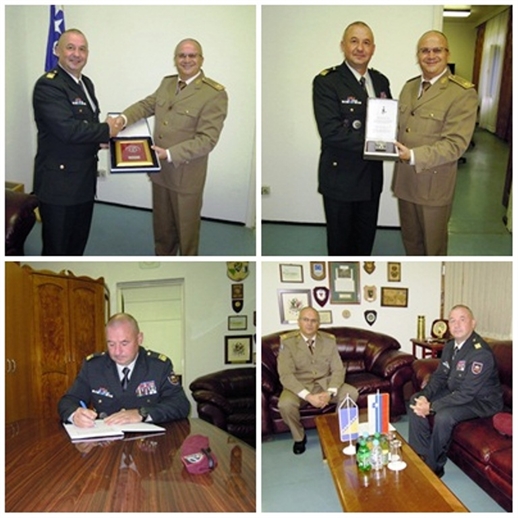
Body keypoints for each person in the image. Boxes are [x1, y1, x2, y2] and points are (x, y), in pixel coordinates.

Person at [115, 38, 228, 256]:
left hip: (185, 176)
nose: (187, 60)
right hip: (160, 172)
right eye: (181, 55)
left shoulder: (214, 94)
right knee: (162, 230)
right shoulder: (167, 83)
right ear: (175, 59)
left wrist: (169, 153)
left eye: (192, 55)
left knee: (187, 233)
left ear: (201, 59)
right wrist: (122, 119)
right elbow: (146, 105)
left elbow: (207, 140)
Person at [32, 28, 121, 255]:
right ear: (57, 50)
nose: (76, 54)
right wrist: (106, 130)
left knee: (76, 246)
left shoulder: (86, 83)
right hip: (58, 186)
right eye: (70, 48)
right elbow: (67, 130)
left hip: (84, 182)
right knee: (57, 250)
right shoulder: (49, 85)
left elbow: (86, 126)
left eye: (82, 49)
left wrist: (100, 141)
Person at [393, 30, 478, 255]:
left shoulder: (462, 93)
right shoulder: (409, 87)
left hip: (434, 185)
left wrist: (413, 156)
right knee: (411, 242)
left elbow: (455, 144)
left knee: (434, 248)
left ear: (447, 54)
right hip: (406, 181)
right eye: (425, 51)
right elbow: (401, 128)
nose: (431, 56)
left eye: (437, 50)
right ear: (418, 55)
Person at [313, 21, 392, 256]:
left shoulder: (380, 81)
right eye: (354, 41)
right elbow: (331, 131)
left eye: (366, 42)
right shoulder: (327, 81)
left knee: (364, 243)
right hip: (341, 179)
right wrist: (378, 145)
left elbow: (388, 122)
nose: (360, 48)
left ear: (373, 49)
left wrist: (393, 140)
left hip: (371, 179)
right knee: (340, 246)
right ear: (343, 46)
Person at [408, 305, 503, 477]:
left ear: (473, 323)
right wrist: (424, 396)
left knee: (444, 416)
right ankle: (420, 455)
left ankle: (434, 467)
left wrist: (431, 407)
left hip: (482, 401)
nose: (456, 325)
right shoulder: (450, 346)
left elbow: (467, 394)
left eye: (462, 319)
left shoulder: (480, 353)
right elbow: (440, 376)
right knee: (416, 399)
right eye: (452, 320)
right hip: (458, 392)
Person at [58, 313, 190, 427]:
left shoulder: (158, 366)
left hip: (148, 442)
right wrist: (75, 415)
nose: (117, 351)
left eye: (124, 343)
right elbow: (68, 401)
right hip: (107, 441)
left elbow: (180, 404)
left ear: (139, 339)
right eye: (111, 344)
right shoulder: (94, 366)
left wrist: (142, 413)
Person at [277, 306, 359, 454]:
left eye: (314, 321)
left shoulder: (329, 341)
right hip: (299, 386)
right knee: (285, 404)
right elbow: (286, 375)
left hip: (325, 383)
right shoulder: (288, 343)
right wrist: (308, 396)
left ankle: (343, 433)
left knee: (351, 393)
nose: (309, 324)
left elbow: (338, 369)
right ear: (299, 322)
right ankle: (299, 437)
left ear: (318, 324)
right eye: (306, 320)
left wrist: (330, 392)